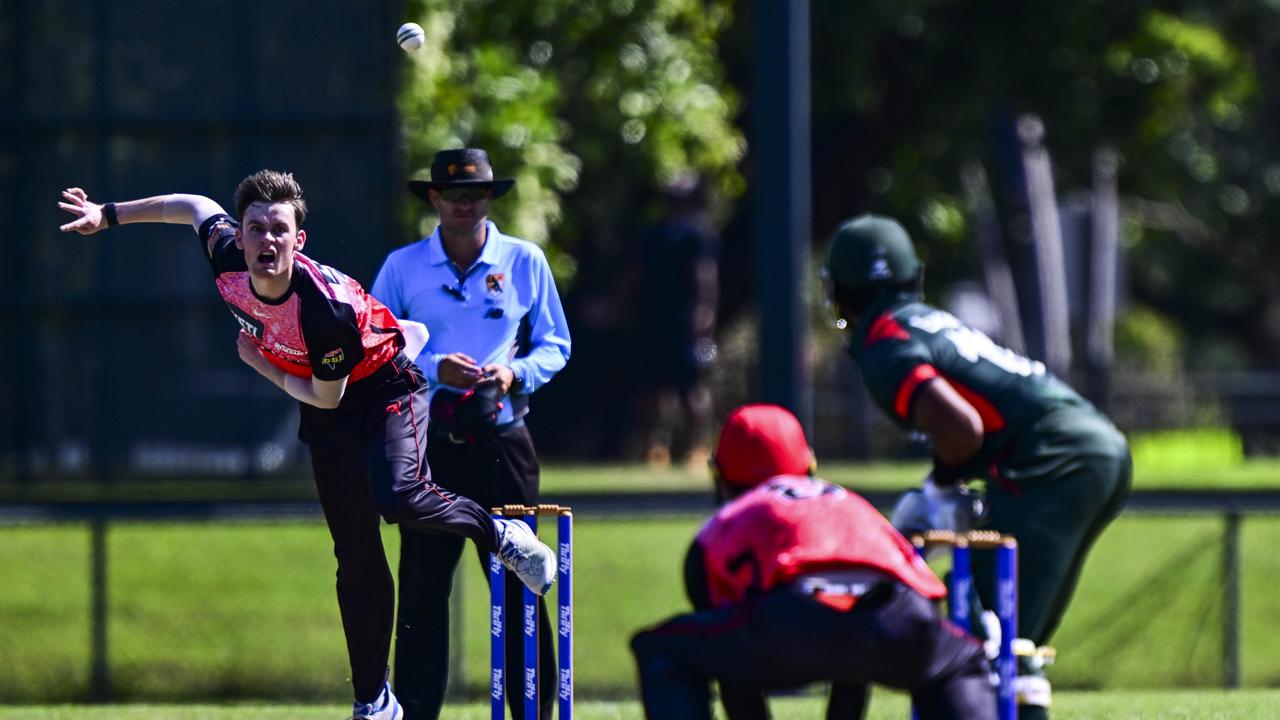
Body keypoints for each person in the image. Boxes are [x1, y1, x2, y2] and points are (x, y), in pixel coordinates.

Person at [56, 171, 557, 720]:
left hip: (384, 385)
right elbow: (192, 204)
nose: (265, 241)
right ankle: (375, 700)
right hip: (328, 408)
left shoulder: (325, 310)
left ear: (299, 240)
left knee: (399, 496)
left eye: (279, 229)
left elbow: (325, 394)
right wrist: (108, 213)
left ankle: (499, 533)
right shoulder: (227, 257)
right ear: (239, 236)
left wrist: (260, 363)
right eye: (255, 229)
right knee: (355, 559)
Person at [821, 214, 1133, 720]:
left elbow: (963, 429)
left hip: (1053, 458)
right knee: (1009, 636)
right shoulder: (924, 320)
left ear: (841, 289)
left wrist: (941, 489)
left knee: (989, 631)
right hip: (1092, 446)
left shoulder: (884, 341)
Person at [630, 404, 997, 720]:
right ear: (808, 463)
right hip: (893, 613)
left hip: (792, 617)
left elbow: (734, 667)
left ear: (722, 475)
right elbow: (907, 596)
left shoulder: (735, 516)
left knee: (661, 648)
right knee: (962, 660)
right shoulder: (849, 500)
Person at [370, 148, 571, 720]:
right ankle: (415, 713)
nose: (465, 205)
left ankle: (533, 713)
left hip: (503, 441)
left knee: (518, 584)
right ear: (433, 199)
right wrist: (436, 368)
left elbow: (556, 344)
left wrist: (513, 372)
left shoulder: (524, 260)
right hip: (428, 444)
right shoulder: (404, 267)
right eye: (454, 195)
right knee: (423, 593)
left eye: (476, 194)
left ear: (490, 199)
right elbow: (377, 344)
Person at [630, 175, 719, 469]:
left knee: (690, 387)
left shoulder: (697, 234)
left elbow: (705, 276)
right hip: (653, 319)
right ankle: (655, 446)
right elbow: (638, 273)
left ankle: (697, 447)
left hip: (685, 321)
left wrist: (705, 315)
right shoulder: (654, 233)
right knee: (652, 388)